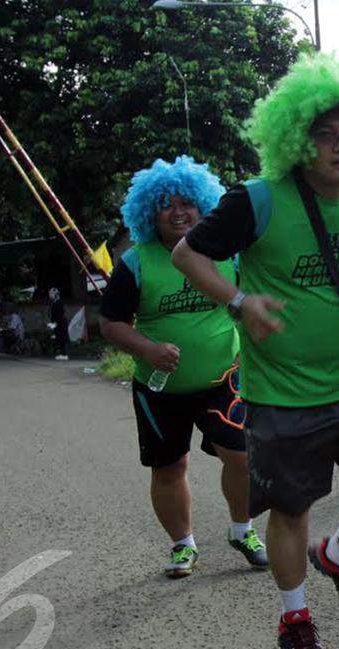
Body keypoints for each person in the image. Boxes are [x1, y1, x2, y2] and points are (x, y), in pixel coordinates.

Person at [172, 53, 339, 649]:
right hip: (280, 390)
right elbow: (189, 254)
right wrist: (239, 300)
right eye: (327, 135)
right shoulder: (257, 201)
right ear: (298, 139)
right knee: (291, 510)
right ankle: (295, 620)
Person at [100, 155, 268, 580]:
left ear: (203, 205)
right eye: (166, 204)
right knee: (170, 466)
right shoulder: (136, 262)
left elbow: (249, 304)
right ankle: (183, 546)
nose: (178, 211)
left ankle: (242, 531)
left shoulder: (227, 254)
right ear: (148, 212)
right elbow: (111, 323)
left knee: (242, 455)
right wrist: (149, 348)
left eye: (187, 203)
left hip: (224, 380)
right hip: (158, 389)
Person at [48, 287, 70, 360]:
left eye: (51, 293)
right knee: (59, 338)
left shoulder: (59, 302)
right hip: (57, 323)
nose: (50, 295)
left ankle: (64, 354)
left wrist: (55, 323)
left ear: (55, 294)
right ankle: (61, 353)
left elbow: (60, 314)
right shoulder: (54, 302)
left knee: (62, 338)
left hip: (60, 323)